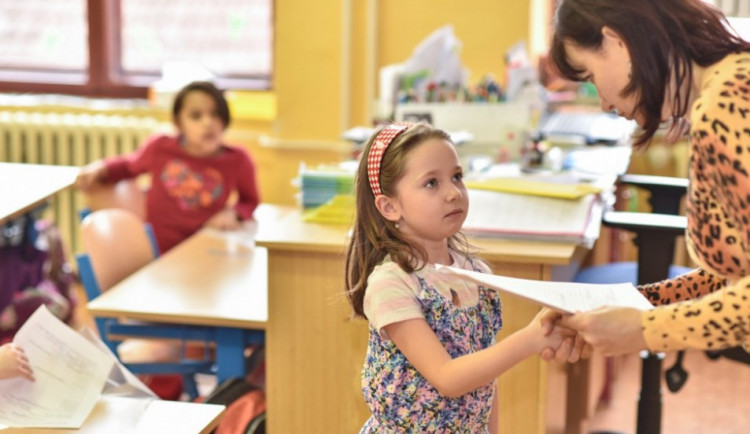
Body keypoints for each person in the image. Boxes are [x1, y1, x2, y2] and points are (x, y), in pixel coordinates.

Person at [545, 0, 750, 357]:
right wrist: (631, 305)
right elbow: (733, 273)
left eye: (590, 75)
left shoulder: (727, 105)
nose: (604, 104)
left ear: (616, 42)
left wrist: (644, 330)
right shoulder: (729, 84)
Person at [344, 122, 568, 432]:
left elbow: (486, 379)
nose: (453, 193)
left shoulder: (475, 274)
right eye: (432, 183)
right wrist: (531, 339)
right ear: (390, 206)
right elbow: (447, 377)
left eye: (457, 177)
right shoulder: (391, 284)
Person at [76, 81, 260, 253]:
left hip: (207, 250)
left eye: (215, 114)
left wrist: (234, 213)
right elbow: (128, 166)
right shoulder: (160, 148)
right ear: (179, 122)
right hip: (159, 253)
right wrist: (100, 167)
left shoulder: (238, 159)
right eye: (196, 116)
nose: (208, 123)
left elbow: (250, 200)